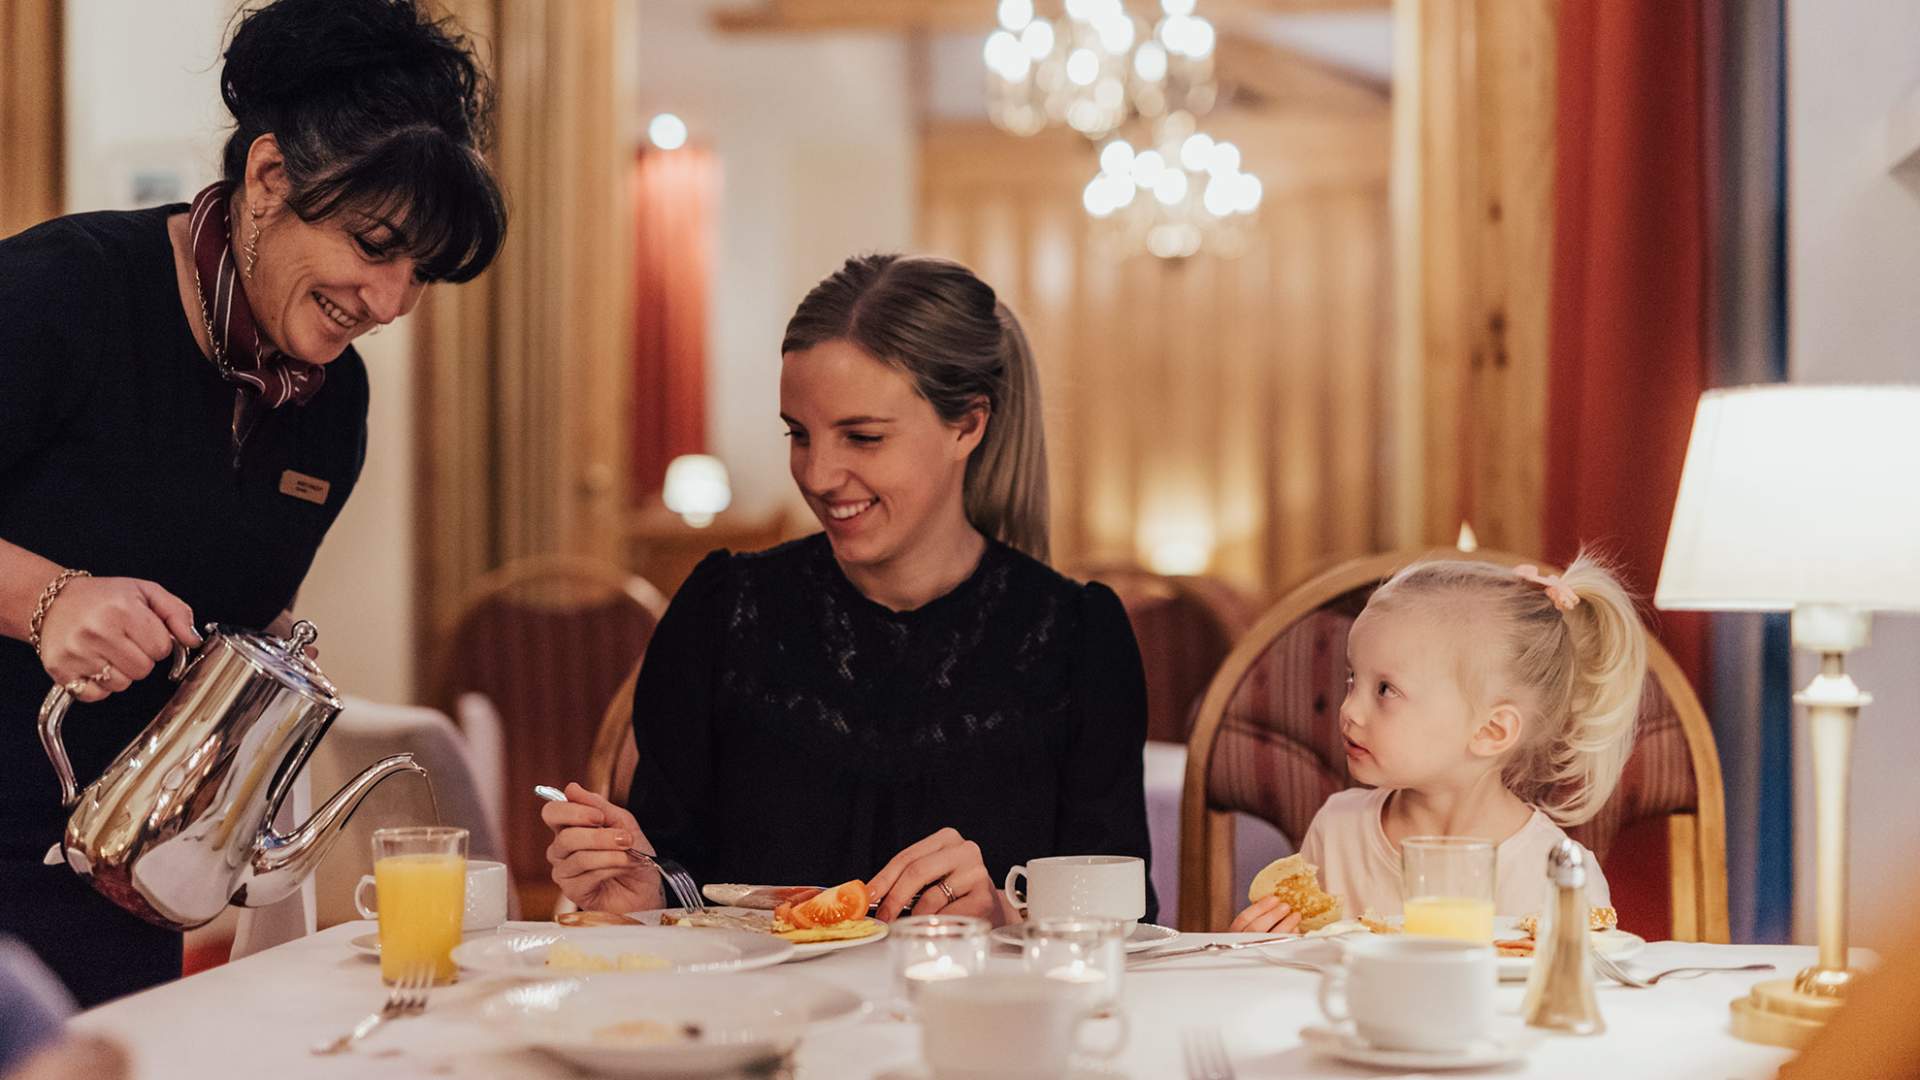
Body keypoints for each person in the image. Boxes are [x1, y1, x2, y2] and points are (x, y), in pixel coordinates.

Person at [0, 0, 505, 1005]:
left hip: (111, 895)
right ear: (269, 179)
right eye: (374, 245)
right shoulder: (64, 294)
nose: (391, 303)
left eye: (421, 275)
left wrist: (268, 662)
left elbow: (233, 595)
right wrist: (47, 600)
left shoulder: (331, 405)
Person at [544, 254, 1156, 926]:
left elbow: (1125, 922)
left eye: (862, 437)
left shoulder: (1078, 637)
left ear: (968, 425)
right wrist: (648, 890)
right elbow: (684, 872)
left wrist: (1006, 918)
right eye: (798, 435)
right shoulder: (723, 611)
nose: (820, 474)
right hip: (766, 1023)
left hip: (985, 1021)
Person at [1231, 555, 1645, 932]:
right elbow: (1298, 979)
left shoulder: (1556, 872)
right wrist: (1258, 952)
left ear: (1490, 731)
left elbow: (1581, 1000)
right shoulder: (1336, 830)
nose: (1349, 710)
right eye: (1352, 678)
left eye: (1386, 690)